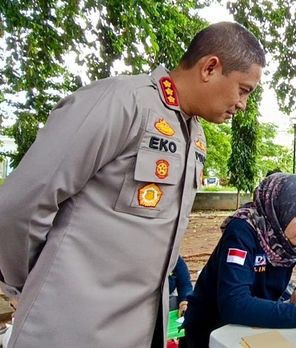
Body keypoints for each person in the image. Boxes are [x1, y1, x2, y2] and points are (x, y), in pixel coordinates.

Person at [0, 21, 265, 348]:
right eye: (244, 90)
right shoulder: (120, 102)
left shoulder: (194, 135)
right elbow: (20, 205)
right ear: (210, 67)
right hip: (69, 329)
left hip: (138, 330)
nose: (243, 104)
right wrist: (38, 284)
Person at [183, 173, 296, 347]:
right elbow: (235, 304)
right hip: (214, 330)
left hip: (258, 325)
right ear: (280, 210)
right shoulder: (243, 230)